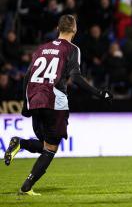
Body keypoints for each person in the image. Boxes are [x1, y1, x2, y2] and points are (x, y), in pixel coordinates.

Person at [3, 15, 113, 195]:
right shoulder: (72, 49)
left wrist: (26, 102)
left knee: (45, 143)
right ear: (75, 30)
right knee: (50, 148)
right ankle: (26, 187)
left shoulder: (42, 48)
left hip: (35, 97)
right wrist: (99, 93)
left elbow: (27, 76)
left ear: (57, 28)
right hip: (54, 99)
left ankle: (20, 143)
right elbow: (75, 77)